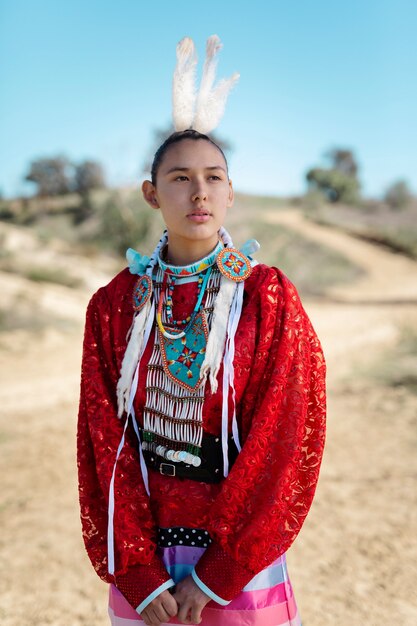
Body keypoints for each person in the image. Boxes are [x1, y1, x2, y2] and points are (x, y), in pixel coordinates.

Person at [77, 36, 326, 626]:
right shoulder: (115, 306)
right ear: (151, 193)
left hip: (239, 562)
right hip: (144, 561)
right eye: (180, 177)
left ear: (232, 192)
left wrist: (221, 571)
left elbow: (288, 434)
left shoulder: (267, 298)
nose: (199, 192)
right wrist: (136, 570)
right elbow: (101, 437)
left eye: (214, 177)